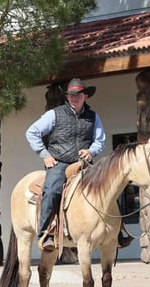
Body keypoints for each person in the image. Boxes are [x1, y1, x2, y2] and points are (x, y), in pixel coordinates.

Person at [25, 78, 107, 252]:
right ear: (67, 97)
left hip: (84, 163)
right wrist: (45, 155)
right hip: (60, 162)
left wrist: (91, 151)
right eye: (71, 95)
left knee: (107, 186)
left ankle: (117, 230)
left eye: (78, 95)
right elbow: (32, 132)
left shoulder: (94, 117)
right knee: (52, 190)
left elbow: (99, 141)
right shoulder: (54, 114)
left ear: (85, 96)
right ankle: (45, 233)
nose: (74, 98)